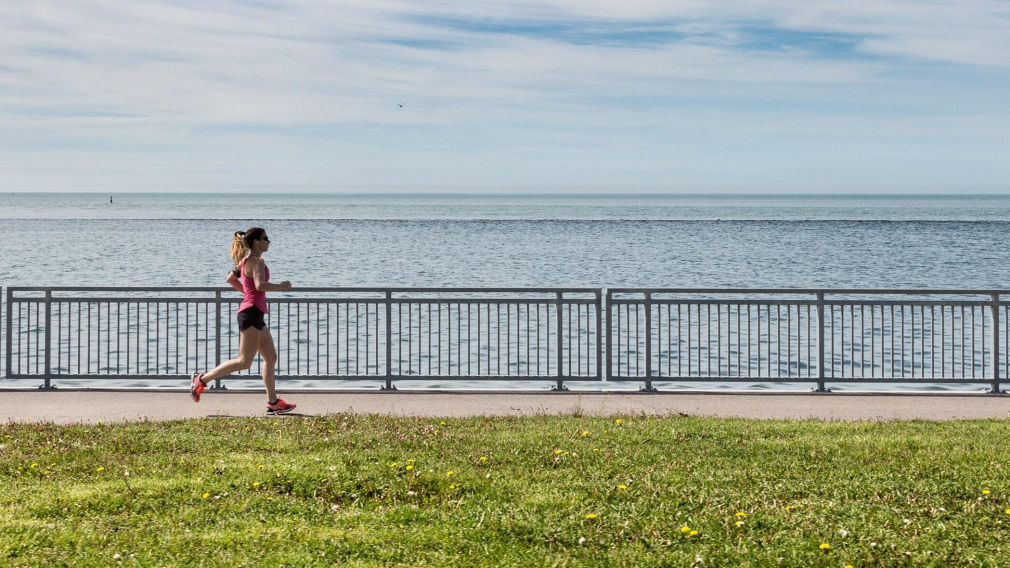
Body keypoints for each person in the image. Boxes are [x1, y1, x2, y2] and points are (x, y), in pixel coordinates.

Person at [191, 227, 296, 415]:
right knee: (244, 361)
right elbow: (260, 285)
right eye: (265, 238)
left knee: (270, 357)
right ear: (256, 242)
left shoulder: (245, 261)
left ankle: (273, 403)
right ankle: (202, 380)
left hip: (254, 312)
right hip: (251, 313)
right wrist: (280, 286)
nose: (268, 242)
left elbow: (230, 278)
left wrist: (248, 295)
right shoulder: (256, 262)